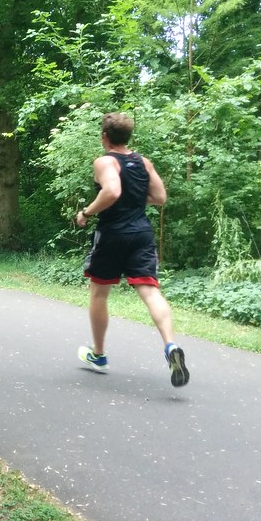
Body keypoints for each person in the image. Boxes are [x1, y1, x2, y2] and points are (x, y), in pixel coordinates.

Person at [75, 113, 190, 387]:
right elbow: (160, 197)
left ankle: (99, 354)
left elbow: (112, 191)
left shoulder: (105, 161)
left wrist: (86, 212)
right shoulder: (143, 162)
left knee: (99, 293)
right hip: (141, 233)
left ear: (105, 137)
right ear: (127, 137)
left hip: (112, 235)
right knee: (150, 291)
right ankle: (171, 345)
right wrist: (134, 200)